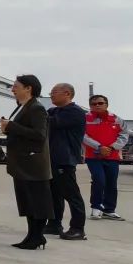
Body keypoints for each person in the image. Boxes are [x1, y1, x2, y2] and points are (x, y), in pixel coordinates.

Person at [1, 74, 54, 250]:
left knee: (38, 202)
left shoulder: (36, 108)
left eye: (16, 86)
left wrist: (11, 126)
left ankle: (37, 236)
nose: (12, 89)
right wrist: (8, 128)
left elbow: (39, 134)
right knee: (28, 202)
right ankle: (32, 235)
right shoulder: (22, 107)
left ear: (28, 88)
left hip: (33, 164)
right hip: (21, 162)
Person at [46, 83, 88, 239]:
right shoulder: (54, 111)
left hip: (65, 158)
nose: (51, 95)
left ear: (67, 93)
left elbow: (50, 122)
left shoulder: (75, 112)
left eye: (54, 92)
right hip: (51, 158)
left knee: (71, 194)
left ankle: (78, 228)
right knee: (54, 193)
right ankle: (54, 224)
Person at [83, 94, 128, 221]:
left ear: (106, 104)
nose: (97, 105)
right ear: (90, 106)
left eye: (100, 103)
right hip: (93, 156)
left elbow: (124, 134)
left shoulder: (117, 119)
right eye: (94, 104)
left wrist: (112, 147)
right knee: (99, 180)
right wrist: (99, 147)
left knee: (111, 183)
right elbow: (83, 135)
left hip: (112, 156)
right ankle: (96, 208)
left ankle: (109, 210)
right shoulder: (85, 119)